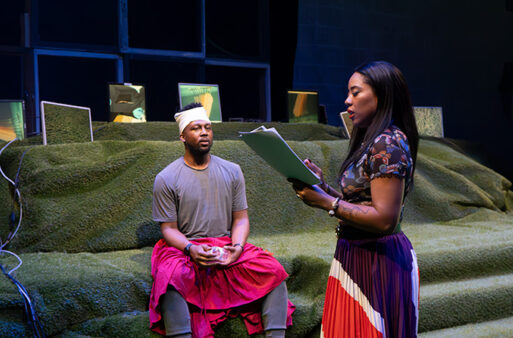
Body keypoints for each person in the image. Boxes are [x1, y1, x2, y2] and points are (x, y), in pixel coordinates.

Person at [290, 61, 420, 337]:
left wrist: (326, 202)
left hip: (377, 261)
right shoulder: (372, 140)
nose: (348, 100)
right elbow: (362, 202)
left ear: (382, 95)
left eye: (356, 92)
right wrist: (323, 187)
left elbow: (384, 218)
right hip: (356, 253)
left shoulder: (388, 143)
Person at [149, 103, 295, 338]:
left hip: (225, 244)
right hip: (186, 247)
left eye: (208, 127)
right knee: (171, 277)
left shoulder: (233, 170)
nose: (204, 132)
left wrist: (236, 247)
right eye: (196, 128)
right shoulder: (166, 178)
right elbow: (168, 229)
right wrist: (191, 248)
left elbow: (241, 219)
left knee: (273, 269)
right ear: (183, 136)